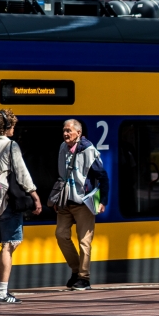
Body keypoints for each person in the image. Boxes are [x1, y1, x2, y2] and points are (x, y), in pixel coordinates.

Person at [0, 109, 41, 304]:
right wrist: (35, 196)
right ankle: (3, 292)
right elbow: (22, 174)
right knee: (10, 244)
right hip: (7, 201)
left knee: (6, 245)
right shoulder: (10, 146)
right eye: (12, 125)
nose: (14, 129)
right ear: (6, 127)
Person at [54, 119, 110, 290]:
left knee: (84, 241)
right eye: (64, 130)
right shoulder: (63, 148)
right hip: (65, 202)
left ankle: (84, 278)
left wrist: (102, 202)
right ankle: (76, 270)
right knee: (61, 235)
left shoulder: (89, 151)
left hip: (83, 203)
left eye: (69, 131)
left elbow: (103, 178)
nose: (65, 134)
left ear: (78, 133)